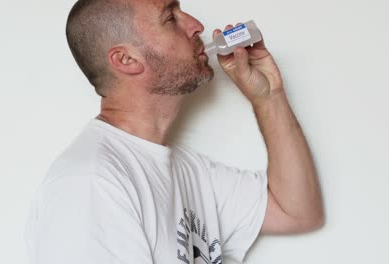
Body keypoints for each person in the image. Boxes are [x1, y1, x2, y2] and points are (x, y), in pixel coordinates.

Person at [24, 0, 325, 263]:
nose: (197, 26)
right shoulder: (91, 184)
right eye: (171, 18)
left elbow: (296, 211)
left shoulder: (188, 172)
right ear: (126, 60)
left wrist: (268, 97)